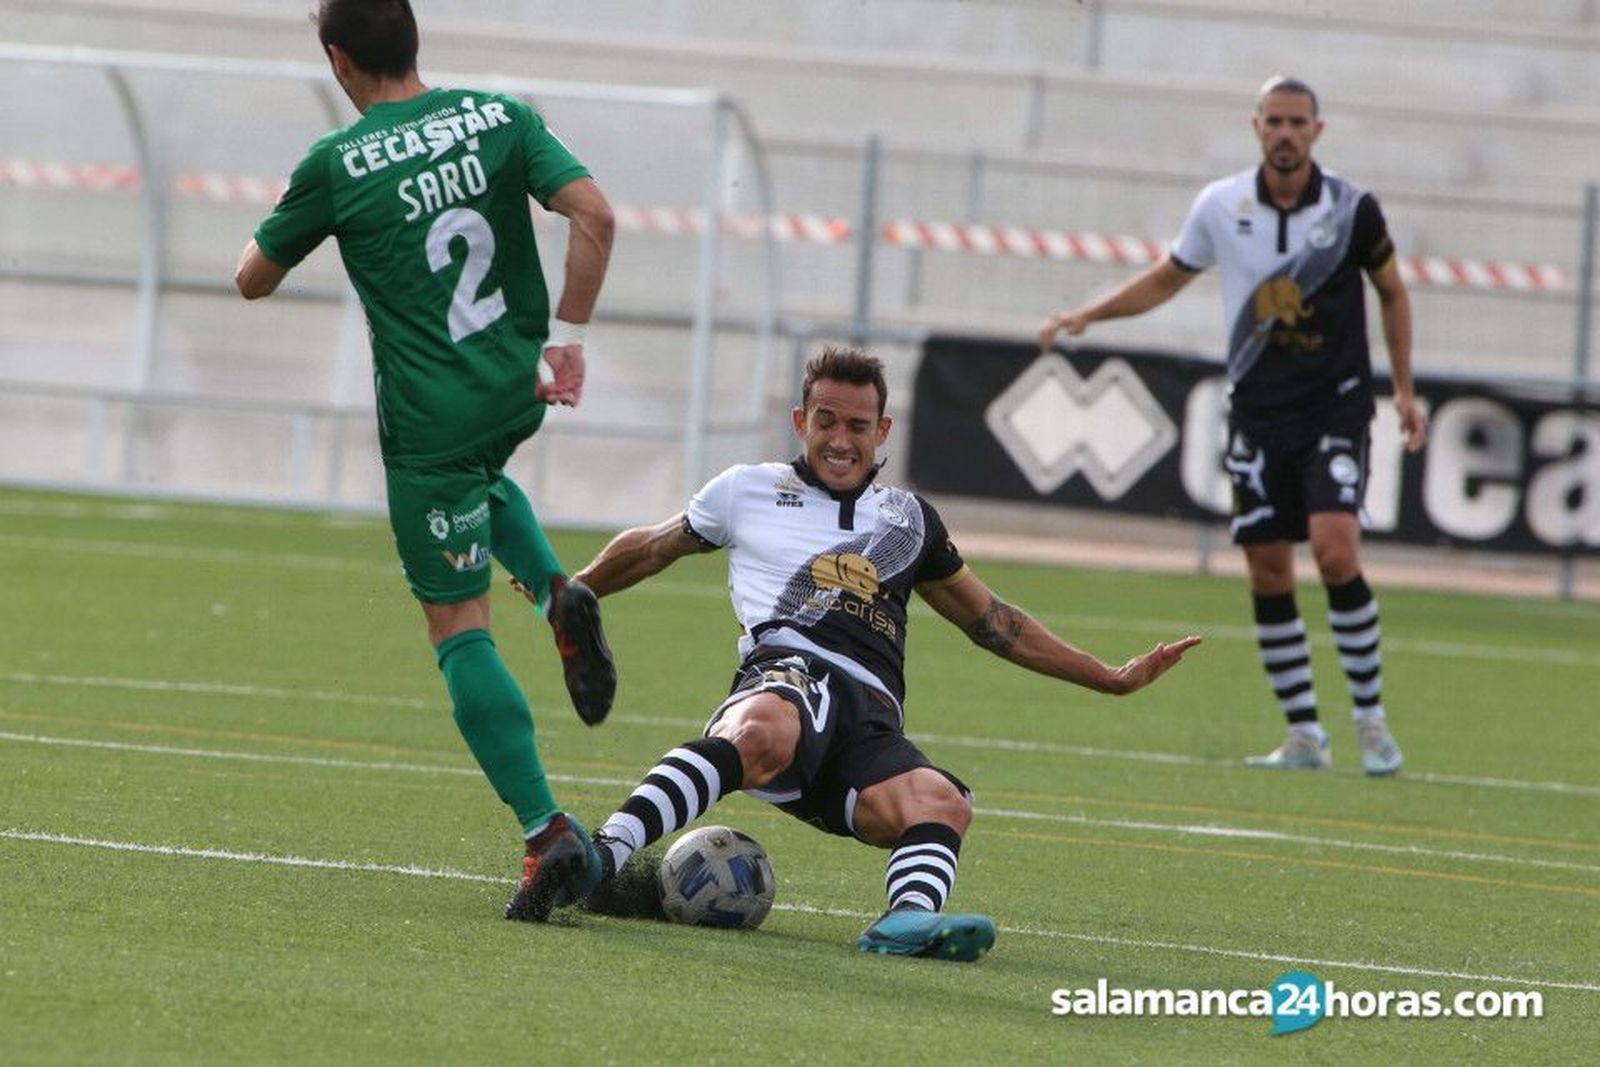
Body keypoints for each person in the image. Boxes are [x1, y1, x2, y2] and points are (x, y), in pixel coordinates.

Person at [523, 346, 1200, 961]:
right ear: (800, 420)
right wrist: (568, 592)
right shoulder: (745, 489)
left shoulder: (909, 520)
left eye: (857, 425)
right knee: (768, 725)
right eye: (826, 420)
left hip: (869, 720)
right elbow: (651, 545)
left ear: (883, 431)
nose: (840, 440)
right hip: (785, 674)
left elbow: (995, 622)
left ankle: (905, 921)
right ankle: (602, 859)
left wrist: (1109, 678)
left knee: (942, 800)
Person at [234, 0, 617, 919]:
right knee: (484, 480)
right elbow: (595, 215)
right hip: (515, 379)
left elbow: (251, 278)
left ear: (338, 60)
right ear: (413, 40)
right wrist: (567, 336)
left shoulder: (335, 164)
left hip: (431, 417)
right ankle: (558, 591)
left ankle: (544, 831)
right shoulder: (501, 116)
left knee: (456, 627)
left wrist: (294, 230)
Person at [1039, 76, 1427, 776]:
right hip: (1256, 409)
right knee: (1268, 567)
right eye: (1273, 121)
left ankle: (1371, 721)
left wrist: (1402, 390)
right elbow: (1167, 277)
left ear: (1318, 130)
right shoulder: (1221, 205)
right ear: (1256, 127)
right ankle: (1305, 733)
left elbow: (1392, 292)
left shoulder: (1351, 209)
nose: (1285, 132)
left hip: (1334, 404)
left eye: (1297, 122)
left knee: (1337, 551)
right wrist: (1088, 313)